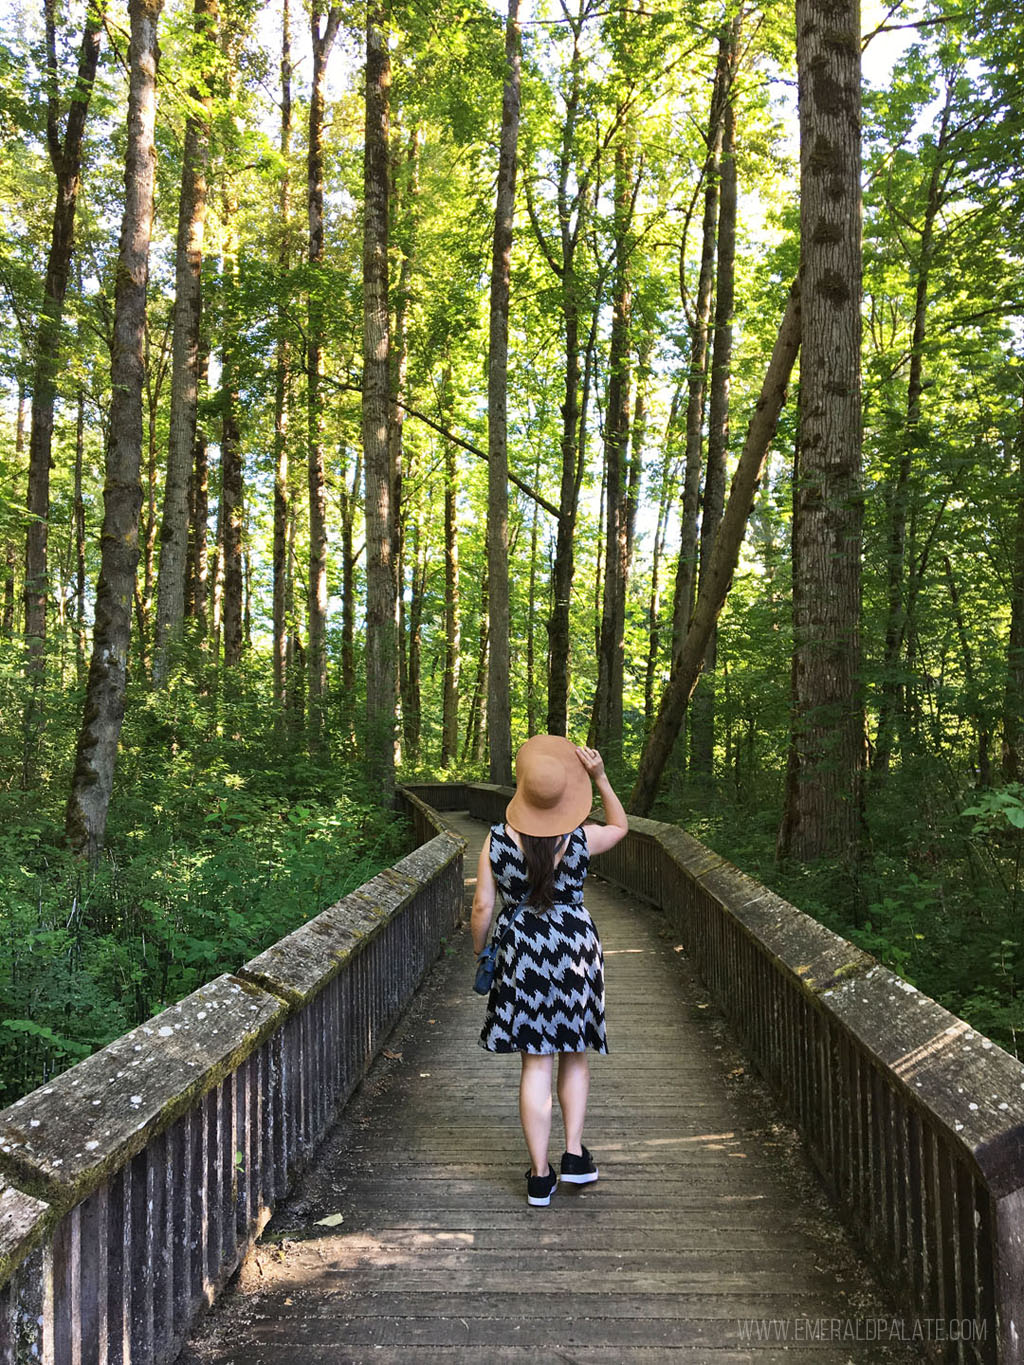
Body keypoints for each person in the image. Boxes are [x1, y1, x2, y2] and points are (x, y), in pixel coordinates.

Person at [470, 736, 629, 1206]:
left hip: (522, 949)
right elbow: (620, 826)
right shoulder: (580, 838)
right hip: (575, 946)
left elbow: (482, 905)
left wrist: (482, 952)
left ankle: (541, 1176)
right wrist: (600, 778)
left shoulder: (497, 839)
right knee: (574, 1052)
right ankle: (574, 1157)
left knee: (535, 1060)